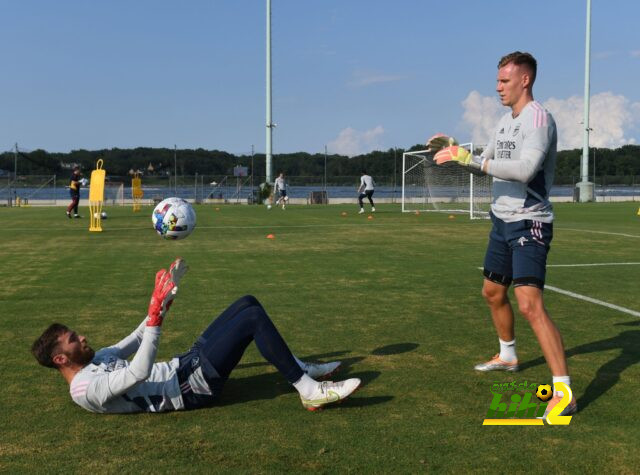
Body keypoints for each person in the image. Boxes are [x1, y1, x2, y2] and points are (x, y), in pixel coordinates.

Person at [431, 51, 576, 417]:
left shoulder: (539, 119)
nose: (497, 87)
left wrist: (473, 160)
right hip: (500, 221)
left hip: (530, 221)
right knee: (493, 292)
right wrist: (458, 151)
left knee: (529, 304)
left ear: (524, 80)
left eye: (504, 81)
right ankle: (508, 356)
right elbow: (486, 166)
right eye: (497, 80)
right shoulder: (502, 121)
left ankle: (564, 393)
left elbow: (526, 170)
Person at [31, 259, 360, 414]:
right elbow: (138, 372)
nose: (83, 337)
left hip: (186, 366)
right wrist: (156, 318)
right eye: (74, 339)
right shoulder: (85, 389)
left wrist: (162, 303)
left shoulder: (95, 358)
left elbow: (132, 341)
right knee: (252, 320)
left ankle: (297, 367)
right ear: (61, 358)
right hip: (190, 389)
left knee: (247, 302)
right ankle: (308, 389)